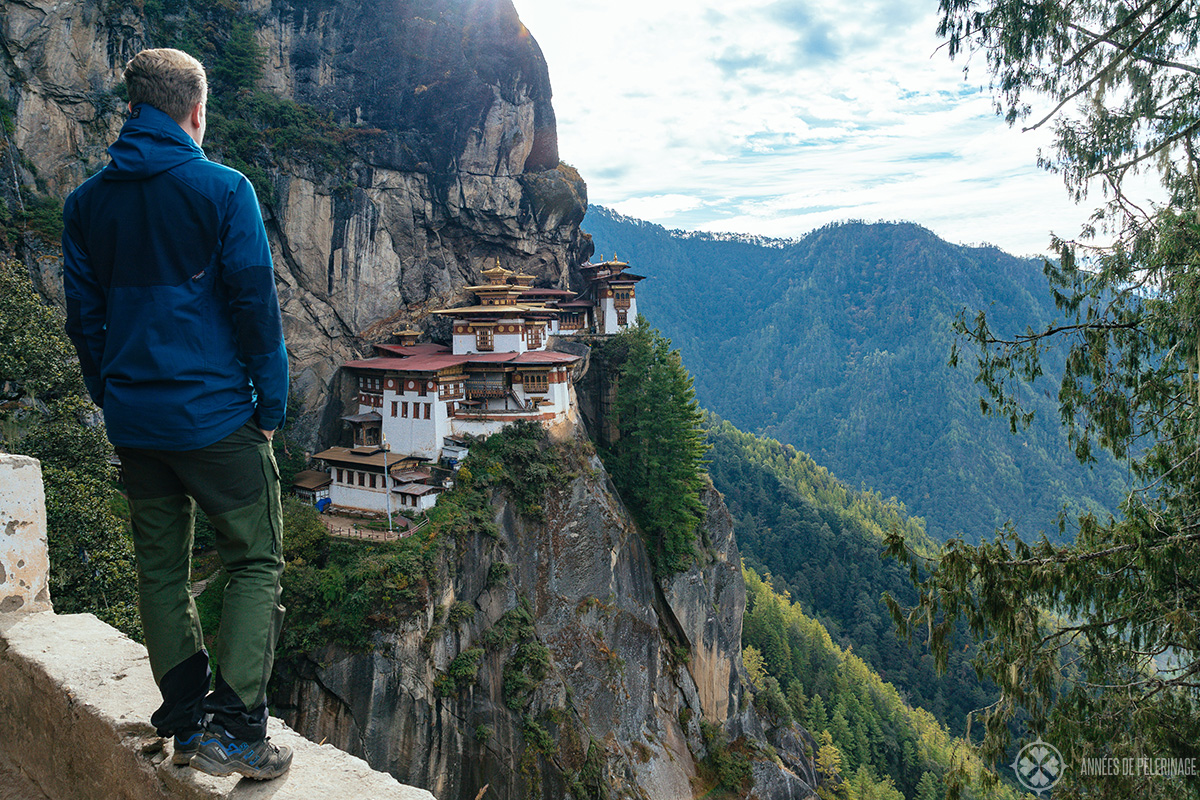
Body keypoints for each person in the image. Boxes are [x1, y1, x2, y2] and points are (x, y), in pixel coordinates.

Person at [62, 48, 292, 781]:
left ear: (135, 109)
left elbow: (85, 321)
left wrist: (112, 397)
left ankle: (189, 723)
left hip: (137, 423)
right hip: (216, 417)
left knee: (160, 571)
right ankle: (238, 732)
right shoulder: (222, 190)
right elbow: (256, 306)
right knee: (254, 558)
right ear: (194, 111)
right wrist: (271, 406)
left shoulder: (85, 204)